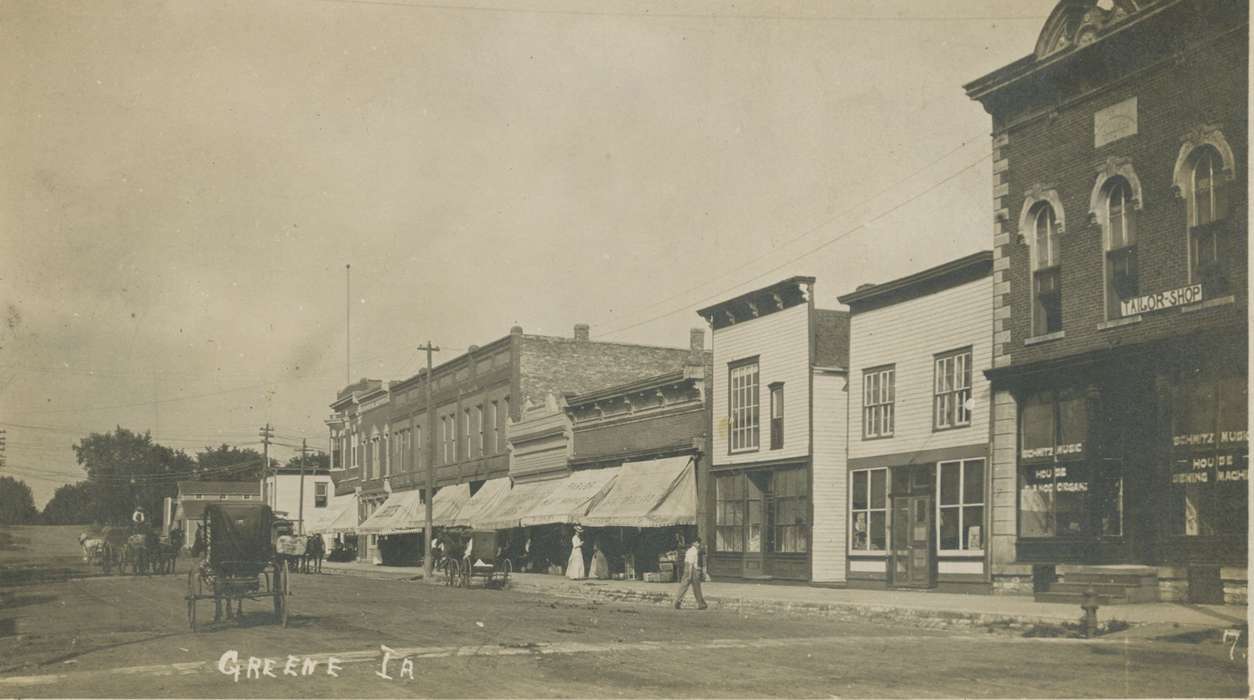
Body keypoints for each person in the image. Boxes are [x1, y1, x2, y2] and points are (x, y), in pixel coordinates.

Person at [672, 537, 707, 610]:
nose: (698, 544)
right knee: (697, 588)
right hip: (692, 570)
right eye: (697, 543)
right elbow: (691, 564)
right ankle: (701, 604)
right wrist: (690, 575)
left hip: (687, 569)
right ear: (694, 543)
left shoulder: (689, 551)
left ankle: (677, 601)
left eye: (699, 543)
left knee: (683, 587)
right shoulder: (694, 551)